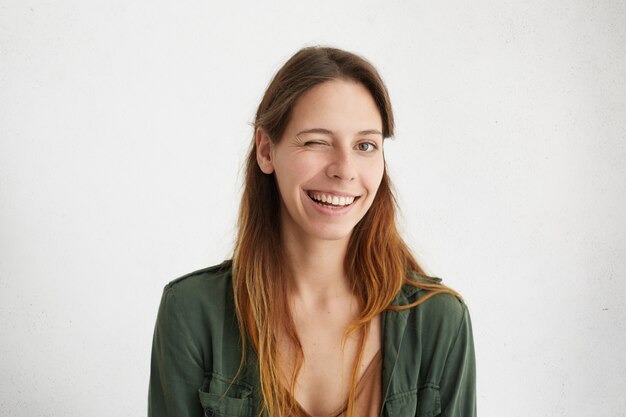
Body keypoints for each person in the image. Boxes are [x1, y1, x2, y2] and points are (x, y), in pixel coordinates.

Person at [148, 46, 476, 417]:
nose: (344, 169)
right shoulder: (191, 311)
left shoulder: (440, 321)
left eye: (365, 145)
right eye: (317, 142)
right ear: (266, 150)